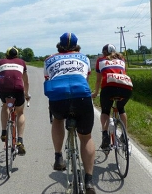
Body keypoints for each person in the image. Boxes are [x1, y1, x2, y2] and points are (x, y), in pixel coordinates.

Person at [43, 33, 96, 194]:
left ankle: (58, 156)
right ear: (76, 46)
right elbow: (86, 78)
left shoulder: (49, 59)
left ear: (59, 45)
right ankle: (88, 181)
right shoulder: (84, 58)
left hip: (58, 98)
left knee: (58, 120)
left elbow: (48, 78)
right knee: (86, 137)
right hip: (81, 97)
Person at [91, 44, 133, 149]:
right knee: (121, 108)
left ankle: (105, 135)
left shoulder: (100, 61)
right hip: (126, 87)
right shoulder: (122, 59)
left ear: (104, 52)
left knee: (105, 111)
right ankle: (124, 135)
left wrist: (95, 93)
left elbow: (98, 80)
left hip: (108, 88)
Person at [0, 47, 30, 155]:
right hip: (17, 89)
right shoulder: (21, 62)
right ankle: (20, 140)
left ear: (6, 55)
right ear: (17, 55)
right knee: (20, 112)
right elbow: (26, 81)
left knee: (5, 106)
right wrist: (26, 94)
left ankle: (4, 132)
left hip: (3, 89)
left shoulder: (0, 62)